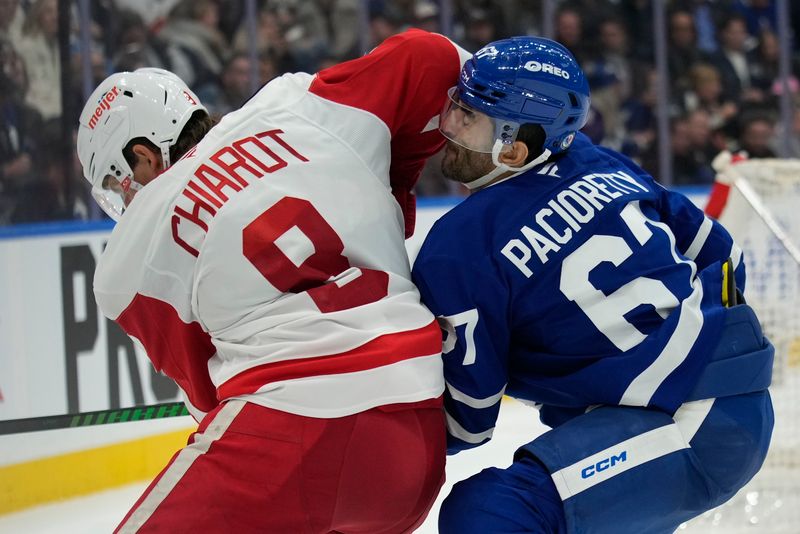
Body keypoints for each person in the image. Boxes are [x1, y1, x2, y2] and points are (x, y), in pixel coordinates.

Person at [77, 29, 472, 533]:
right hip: (415, 441)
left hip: (295, 435)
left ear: (145, 156)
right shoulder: (294, 105)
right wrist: (395, 186)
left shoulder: (130, 256)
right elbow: (434, 58)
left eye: (117, 182)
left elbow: (207, 400)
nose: (124, 202)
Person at [411, 36, 775, 533]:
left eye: (467, 118)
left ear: (515, 147)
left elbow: (469, 421)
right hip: (720, 397)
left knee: (492, 514)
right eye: (455, 106)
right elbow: (723, 255)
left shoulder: (459, 246)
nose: (448, 127)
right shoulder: (600, 161)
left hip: (684, 427)